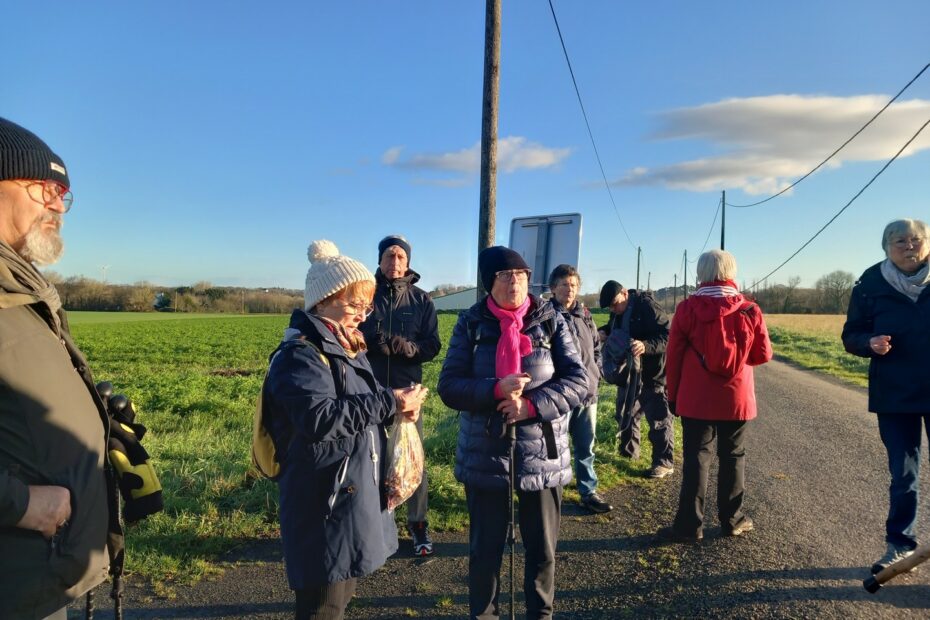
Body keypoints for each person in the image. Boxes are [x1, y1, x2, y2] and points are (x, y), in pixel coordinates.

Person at [264, 239, 428, 620]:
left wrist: (398, 409)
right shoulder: (301, 354)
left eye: (366, 304)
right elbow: (319, 419)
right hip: (324, 502)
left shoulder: (348, 346)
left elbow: (363, 405)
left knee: (339, 597)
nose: (363, 313)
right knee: (322, 605)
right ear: (323, 301)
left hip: (347, 495)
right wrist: (390, 402)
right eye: (354, 303)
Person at [0, 117, 115, 618]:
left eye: (62, 193)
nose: (57, 206)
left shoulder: (22, 291)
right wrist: (19, 503)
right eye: (42, 188)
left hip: (41, 573)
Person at [438, 246, 588, 619]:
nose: (515, 282)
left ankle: (541, 614)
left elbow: (579, 381)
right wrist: (494, 390)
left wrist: (530, 406)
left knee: (542, 550)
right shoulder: (471, 323)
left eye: (521, 275)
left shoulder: (551, 319)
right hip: (486, 452)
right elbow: (450, 386)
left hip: (542, 452)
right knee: (485, 551)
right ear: (490, 283)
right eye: (506, 276)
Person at [660, 250, 772, 542]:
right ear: (731, 272)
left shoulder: (686, 309)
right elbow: (763, 355)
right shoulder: (749, 310)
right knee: (733, 457)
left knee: (697, 459)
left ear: (701, 273)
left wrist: (673, 394)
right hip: (737, 400)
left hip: (696, 399)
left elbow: (673, 357)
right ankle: (733, 520)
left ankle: (688, 526)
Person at [842, 218, 930, 574]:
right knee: (904, 473)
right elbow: (851, 334)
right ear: (886, 247)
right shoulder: (870, 283)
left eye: (916, 239)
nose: (909, 246)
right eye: (900, 241)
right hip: (895, 394)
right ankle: (900, 545)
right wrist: (869, 344)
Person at [359, 234, 442, 556]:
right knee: (370, 461)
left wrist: (405, 347)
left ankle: (418, 524)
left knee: (410, 461)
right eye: (389, 256)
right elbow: (349, 332)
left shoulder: (422, 301)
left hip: (408, 396)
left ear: (408, 263)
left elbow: (432, 346)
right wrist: (370, 341)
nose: (395, 263)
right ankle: (376, 525)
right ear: (379, 260)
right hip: (369, 392)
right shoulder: (365, 295)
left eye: (400, 257)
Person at [547, 264, 611, 514]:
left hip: (588, 393)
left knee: (586, 445)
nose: (569, 289)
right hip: (560, 395)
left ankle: (588, 490)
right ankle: (553, 492)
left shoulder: (585, 314)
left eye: (573, 285)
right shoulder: (546, 315)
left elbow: (596, 347)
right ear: (553, 288)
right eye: (564, 284)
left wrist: (597, 371)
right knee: (556, 447)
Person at [598, 280, 675, 479]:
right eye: (611, 307)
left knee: (658, 420)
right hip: (629, 373)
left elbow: (668, 335)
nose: (614, 309)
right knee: (626, 415)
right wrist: (605, 331)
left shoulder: (647, 306)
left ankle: (664, 462)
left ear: (625, 293)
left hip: (652, 373)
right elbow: (615, 325)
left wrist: (645, 345)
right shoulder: (618, 310)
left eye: (616, 304)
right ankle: (628, 455)